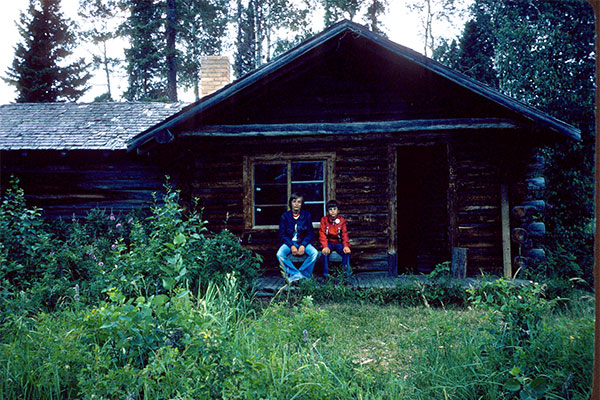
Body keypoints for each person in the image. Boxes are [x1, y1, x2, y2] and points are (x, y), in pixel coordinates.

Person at [276, 193, 319, 284]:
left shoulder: (306, 215)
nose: (296, 204)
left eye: (299, 202)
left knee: (314, 253)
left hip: (303, 241)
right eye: (294, 201)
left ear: (302, 204)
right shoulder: (285, 216)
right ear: (290, 203)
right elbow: (282, 234)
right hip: (289, 242)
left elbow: (310, 233)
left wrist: (303, 245)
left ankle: (304, 275)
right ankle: (296, 275)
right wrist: (291, 246)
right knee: (279, 254)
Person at [319, 200, 351, 279]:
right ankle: (326, 275)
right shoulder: (324, 220)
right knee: (325, 253)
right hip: (328, 242)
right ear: (327, 211)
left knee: (346, 253)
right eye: (330, 209)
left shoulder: (342, 220)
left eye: (334, 209)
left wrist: (346, 246)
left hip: (338, 243)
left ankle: (345, 275)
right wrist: (325, 246)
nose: (332, 211)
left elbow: (344, 234)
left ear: (338, 210)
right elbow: (322, 233)